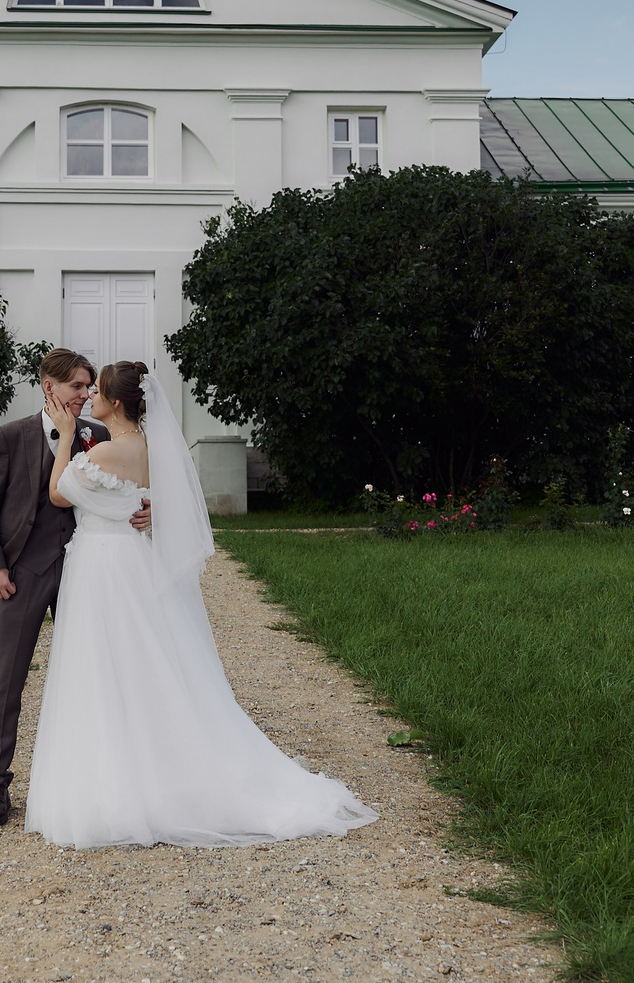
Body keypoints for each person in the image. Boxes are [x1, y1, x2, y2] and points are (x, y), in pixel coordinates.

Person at [23, 359, 377, 848]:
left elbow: (59, 495)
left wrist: (65, 436)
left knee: (109, 668)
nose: (90, 398)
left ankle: (124, 784)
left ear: (117, 402)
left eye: (97, 390)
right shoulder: (144, 447)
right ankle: (144, 768)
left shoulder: (104, 450)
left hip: (106, 567)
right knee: (137, 667)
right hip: (126, 562)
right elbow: (151, 497)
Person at [0, 348, 147, 829]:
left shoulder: (101, 435)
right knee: (8, 680)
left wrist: (150, 510)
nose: (86, 394)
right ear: (49, 387)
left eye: (90, 386)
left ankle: (96, 782)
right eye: (77, 386)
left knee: (96, 675)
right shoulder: (10, 438)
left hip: (86, 575)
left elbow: (130, 486)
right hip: (24, 573)